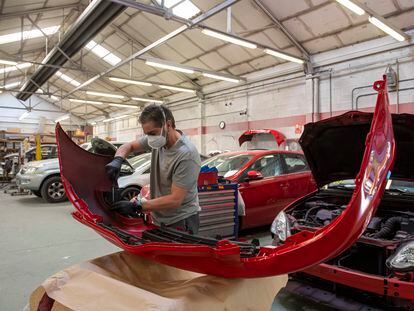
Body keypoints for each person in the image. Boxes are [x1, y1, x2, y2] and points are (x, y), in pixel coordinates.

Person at [106, 104, 201, 234]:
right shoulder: (159, 138)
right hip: (160, 218)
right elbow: (129, 146)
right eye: (147, 134)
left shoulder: (186, 154)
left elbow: (175, 200)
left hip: (181, 221)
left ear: (168, 125)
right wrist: (118, 159)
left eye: (152, 133)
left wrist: (137, 206)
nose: (150, 138)